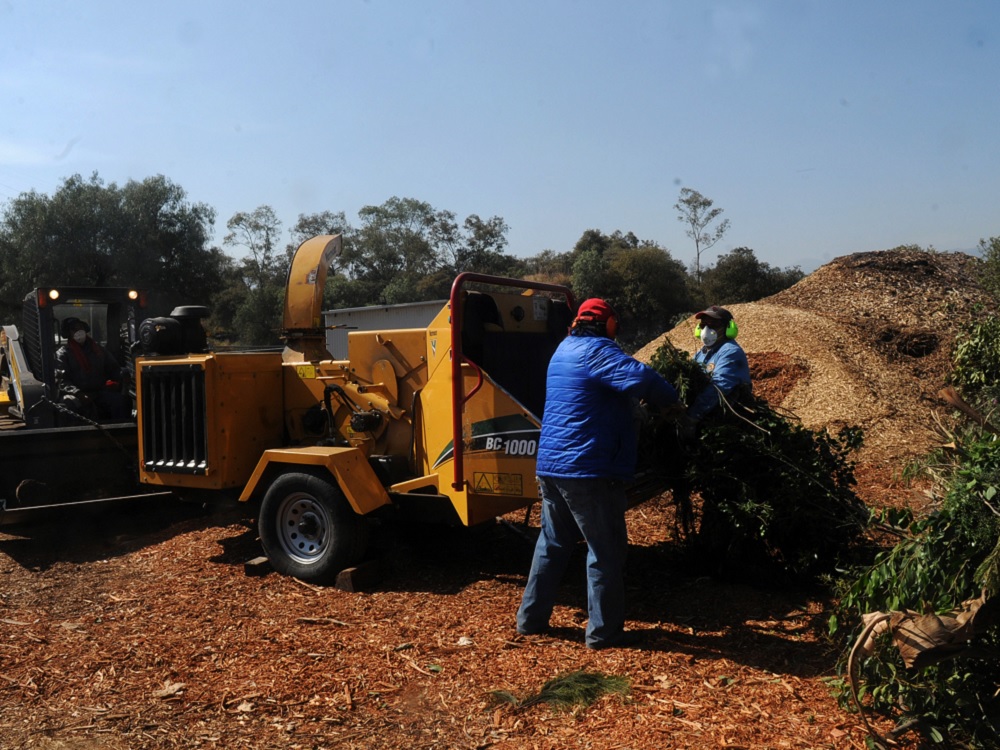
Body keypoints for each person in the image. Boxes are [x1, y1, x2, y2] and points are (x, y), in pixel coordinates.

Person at [516, 298, 679, 649]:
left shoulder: (563, 349)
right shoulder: (597, 351)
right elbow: (642, 378)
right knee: (605, 551)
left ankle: (530, 620)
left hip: (551, 467)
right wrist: (674, 400)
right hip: (586, 470)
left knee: (553, 543)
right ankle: (603, 633)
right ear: (607, 325)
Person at [55, 317, 130, 421]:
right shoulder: (63, 354)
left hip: (99, 392)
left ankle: (120, 432)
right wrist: (78, 393)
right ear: (68, 333)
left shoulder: (98, 350)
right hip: (76, 395)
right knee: (68, 405)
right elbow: (62, 380)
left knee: (120, 400)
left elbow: (114, 369)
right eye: (74, 329)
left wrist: (121, 378)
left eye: (81, 328)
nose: (79, 331)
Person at [687, 305, 751, 422]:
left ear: (728, 328)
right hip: (707, 413)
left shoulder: (730, 352)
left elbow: (718, 387)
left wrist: (692, 415)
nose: (706, 330)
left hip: (726, 419)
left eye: (713, 325)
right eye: (703, 325)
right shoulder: (701, 353)